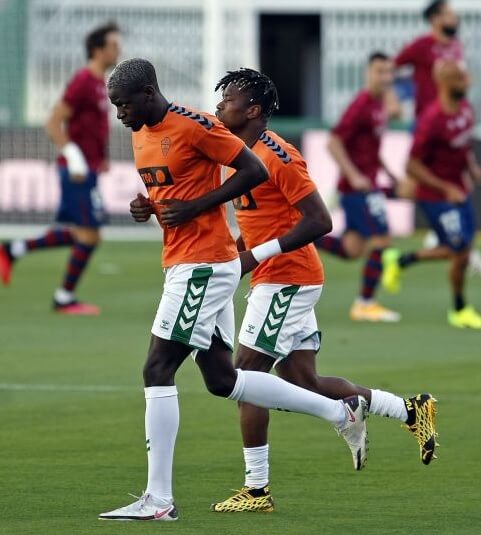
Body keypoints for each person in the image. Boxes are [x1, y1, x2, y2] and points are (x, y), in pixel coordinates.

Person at [98, 59, 367, 522]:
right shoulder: (140, 132)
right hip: (186, 261)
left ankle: (158, 500)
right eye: (115, 107)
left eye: (123, 105)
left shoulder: (194, 125)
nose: (119, 114)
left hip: (203, 264)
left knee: (157, 368)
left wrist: (197, 206)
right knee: (223, 380)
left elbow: (252, 169)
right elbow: (172, 193)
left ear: (147, 93)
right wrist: (150, 207)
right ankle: (339, 413)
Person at [209, 68, 439, 512]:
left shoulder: (278, 155)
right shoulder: (237, 153)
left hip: (287, 278)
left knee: (246, 379)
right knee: (303, 380)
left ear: (253, 110)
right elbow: (259, 224)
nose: (220, 106)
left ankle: (257, 491)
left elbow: (320, 222)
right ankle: (411, 410)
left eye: (229, 99)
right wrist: (235, 257)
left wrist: (255, 257)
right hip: (280, 276)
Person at [0, 22, 120, 313]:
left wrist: (99, 157)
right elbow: (53, 122)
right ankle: (63, 297)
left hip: (88, 169)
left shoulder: (97, 83)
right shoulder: (82, 81)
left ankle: (13, 250)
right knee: (89, 234)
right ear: (97, 49)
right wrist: (76, 157)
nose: (119, 51)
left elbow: (91, 128)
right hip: (76, 171)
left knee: (84, 232)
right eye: (114, 46)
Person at [393, 0, 481, 278]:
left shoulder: (456, 46)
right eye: (449, 13)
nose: (455, 17)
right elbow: (392, 67)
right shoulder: (422, 46)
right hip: (428, 124)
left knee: (454, 185)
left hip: (452, 121)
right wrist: (394, 97)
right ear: (435, 18)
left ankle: (458, 244)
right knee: (412, 187)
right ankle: (451, 241)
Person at [381, 61, 481, 329]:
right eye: (460, 79)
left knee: (458, 250)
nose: (467, 83)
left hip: (458, 193)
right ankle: (460, 308)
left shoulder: (465, 109)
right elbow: (411, 165)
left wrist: (471, 167)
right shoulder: (431, 119)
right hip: (435, 196)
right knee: (460, 250)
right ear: (444, 82)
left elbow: (464, 144)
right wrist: (445, 188)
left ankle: (400, 260)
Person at [314, 52, 401, 323]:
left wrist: (387, 172)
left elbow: (372, 147)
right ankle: (365, 303)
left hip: (368, 184)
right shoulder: (361, 104)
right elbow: (333, 142)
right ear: (368, 73)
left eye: (388, 72)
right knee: (382, 241)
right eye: (379, 71)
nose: (385, 77)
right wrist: (354, 175)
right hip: (358, 189)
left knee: (352, 249)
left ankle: (299, 237)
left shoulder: (378, 104)